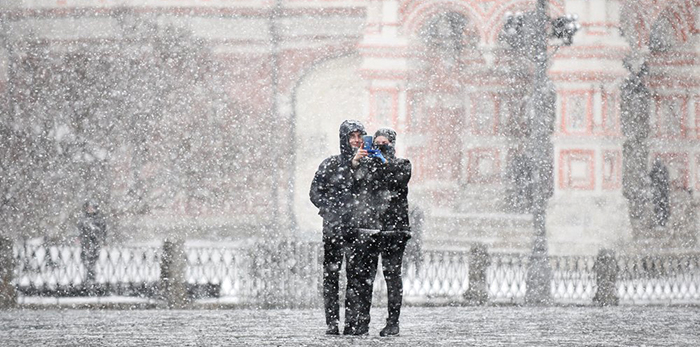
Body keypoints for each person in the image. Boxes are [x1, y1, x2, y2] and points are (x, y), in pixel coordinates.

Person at [343, 127, 412, 336]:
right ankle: (362, 322)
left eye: (385, 143)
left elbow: (398, 182)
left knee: (392, 276)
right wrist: (356, 163)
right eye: (378, 144)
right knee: (366, 277)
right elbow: (355, 187)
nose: (381, 147)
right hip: (370, 229)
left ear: (392, 144)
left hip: (394, 230)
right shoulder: (366, 165)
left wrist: (384, 161)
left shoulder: (402, 164)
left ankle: (393, 322)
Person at [309, 120, 366, 335]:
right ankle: (332, 322)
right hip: (334, 229)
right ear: (344, 138)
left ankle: (352, 321)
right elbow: (315, 193)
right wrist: (332, 211)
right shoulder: (330, 164)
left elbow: (373, 192)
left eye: (360, 136)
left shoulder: (367, 164)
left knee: (356, 277)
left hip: (358, 230)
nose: (356, 140)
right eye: (352, 136)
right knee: (331, 276)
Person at [77, 199, 107, 286]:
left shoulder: (99, 218)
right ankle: (88, 276)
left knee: (93, 259)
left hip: (95, 241)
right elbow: (80, 229)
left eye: (91, 208)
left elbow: (103, 230)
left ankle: (91, 276)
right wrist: (80, 237)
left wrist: (103, 240)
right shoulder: (83, 218)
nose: (90, 209)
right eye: (88, 207)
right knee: (85, 258)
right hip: (86, 242)